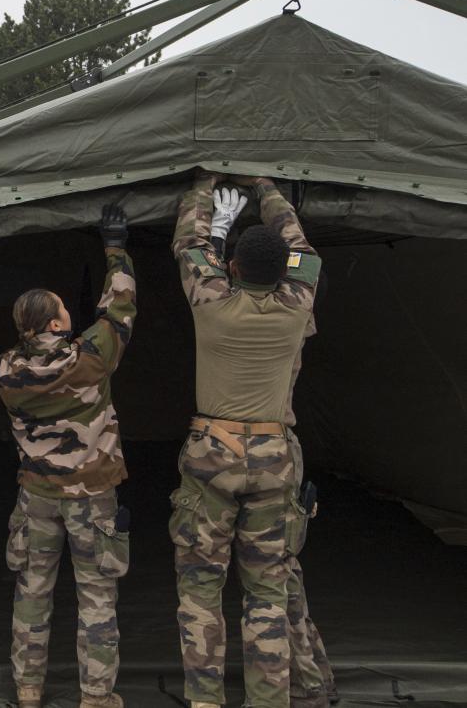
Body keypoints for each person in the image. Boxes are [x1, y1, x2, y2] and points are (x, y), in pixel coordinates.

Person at [169, 174, 322, 708]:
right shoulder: (297, 304)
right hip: (275, 461)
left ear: (231, 269)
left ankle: (206, 701)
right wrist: (265, 187)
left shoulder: (211, 301)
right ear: (286, 274)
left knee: (200, 587)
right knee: (267, 593)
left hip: (213, 455)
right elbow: (301, 245)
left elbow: (189, 242)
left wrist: (204, 186)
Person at [0, 203, 136, 708]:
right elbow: (121, 307)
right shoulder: (92, 355)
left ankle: (27, 689)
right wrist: (115, 249)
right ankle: (95, 698)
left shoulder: (4, 373)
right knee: (97, 598)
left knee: (32, 593)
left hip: (37, 500)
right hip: (92, 499)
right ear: (55, 320)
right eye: (64, 306)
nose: (71, 310)